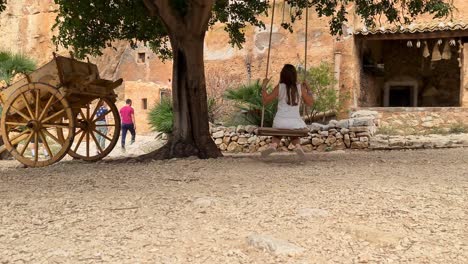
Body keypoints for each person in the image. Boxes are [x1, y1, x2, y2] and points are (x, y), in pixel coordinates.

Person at [260, 64, 314, 158]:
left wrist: (264, 86)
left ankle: (274, 145)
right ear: (294, 75)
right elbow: (310, 103)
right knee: (294, 133)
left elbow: (265, 101)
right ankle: (297, 146)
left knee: (278, 133)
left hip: (279, 122)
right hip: (295, 123)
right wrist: (308, 88)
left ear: (282, 75)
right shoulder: (299, 87)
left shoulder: (280, 87)